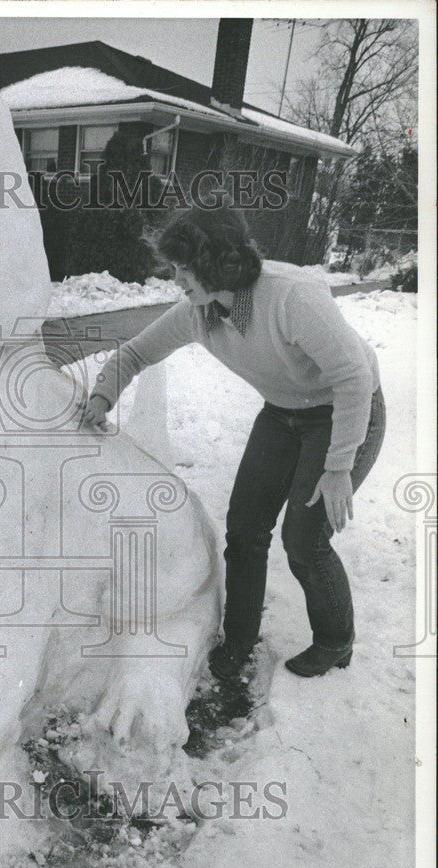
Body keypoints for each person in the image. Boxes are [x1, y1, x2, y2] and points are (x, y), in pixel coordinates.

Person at [81, 207, 385, 681]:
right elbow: (137, 351)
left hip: (345, 408)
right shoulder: (199, 313)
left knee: (304, 539)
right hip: (283, 413)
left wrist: (338, 465)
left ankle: (335, 641)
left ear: (218, 264)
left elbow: (353, 376)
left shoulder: (292, 297)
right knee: (245, 529)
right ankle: (239, 638)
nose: (175, 279)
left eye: (184, 269)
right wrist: (102, 396)